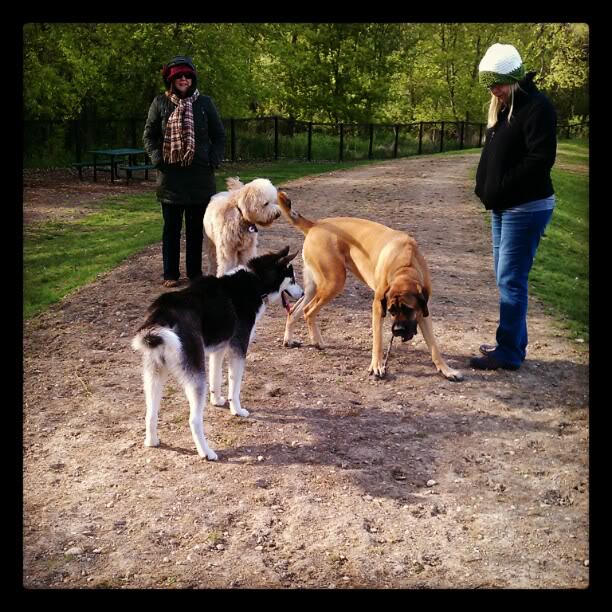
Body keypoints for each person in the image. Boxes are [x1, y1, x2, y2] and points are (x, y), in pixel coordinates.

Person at [471, 43, 557, 371]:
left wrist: (501, 188)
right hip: (504, 208)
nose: (493, 89)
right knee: (505, 276)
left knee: (510, 278)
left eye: (498, 82)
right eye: (489, 84)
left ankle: (508, 352)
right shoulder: (505, 107)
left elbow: (540, 160)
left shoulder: (537, 108)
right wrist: (486, 188)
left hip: (526, 207)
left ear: (514, 78)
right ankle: (513, 344)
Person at [143, 55, 226, 287]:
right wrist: (158, 159)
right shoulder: (160, 103)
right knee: (171, 228)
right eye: (178, 76)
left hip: (200, 177)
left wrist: (213, 160)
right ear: (171, 80)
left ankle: (194, 273)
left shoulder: (205, 104)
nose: (183, 79)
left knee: (194, 229)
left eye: (187, 76)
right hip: (170, 178)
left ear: (193, 79)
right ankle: (170, 273)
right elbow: (149, 135)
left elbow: (219, 136)